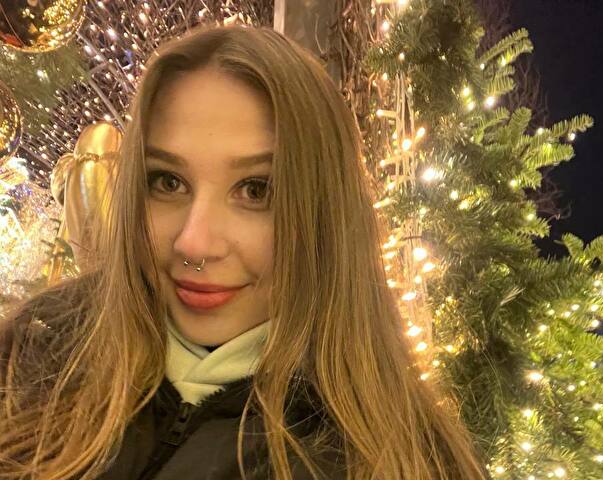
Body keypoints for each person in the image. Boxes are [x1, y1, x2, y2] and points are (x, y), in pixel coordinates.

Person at [0, 24, 488, 479]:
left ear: (327, 213)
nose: (194, 244)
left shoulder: (402, 460)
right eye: (167, 182)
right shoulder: (32, 355)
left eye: (257, 190)